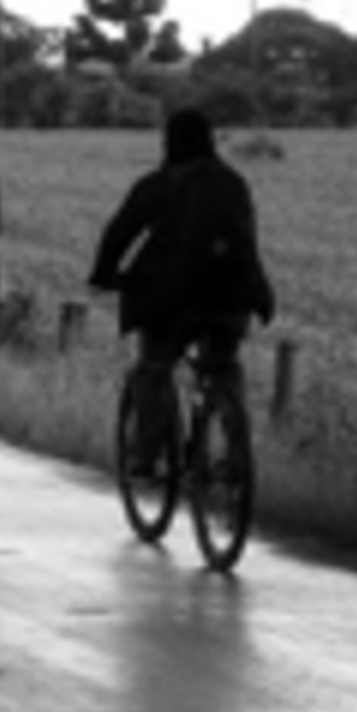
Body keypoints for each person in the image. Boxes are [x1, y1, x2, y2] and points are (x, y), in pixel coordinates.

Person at [89, 106, 277, 471]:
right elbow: (246, 242)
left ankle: (146, 454)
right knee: (224, 365)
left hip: (171, 299)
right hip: (233, 295)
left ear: (169, 142)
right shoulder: (234, 183)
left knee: (154, 366)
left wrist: (103, 274)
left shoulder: (158, 183)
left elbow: (120, 232)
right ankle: (236, 447)